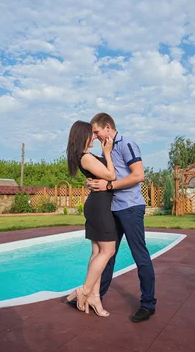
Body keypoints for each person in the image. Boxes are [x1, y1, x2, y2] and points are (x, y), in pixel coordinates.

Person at [68, 113, 156, 323]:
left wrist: (108, 185)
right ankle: (94, 296)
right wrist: (95, 183)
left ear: (107, 127)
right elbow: (101, 172)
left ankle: (147, 304)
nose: (95, 136)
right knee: (108, 255)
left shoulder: (127, 144)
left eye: (96, 132)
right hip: (111, 208)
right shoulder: (103, 148)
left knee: (139, 255)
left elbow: (138, 175)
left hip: (131, 207)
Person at [65, 120, 117, 317]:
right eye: (91, 133)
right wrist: (107, 154)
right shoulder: (85, 156)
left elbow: (101, 176)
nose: (94, 136)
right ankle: (84, 291)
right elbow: (111, 175)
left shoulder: (87, 156)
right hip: (99, 207)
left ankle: (94, 296)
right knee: (108, 250)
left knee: (97, 252)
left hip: (98, 204)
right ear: (82, 136)